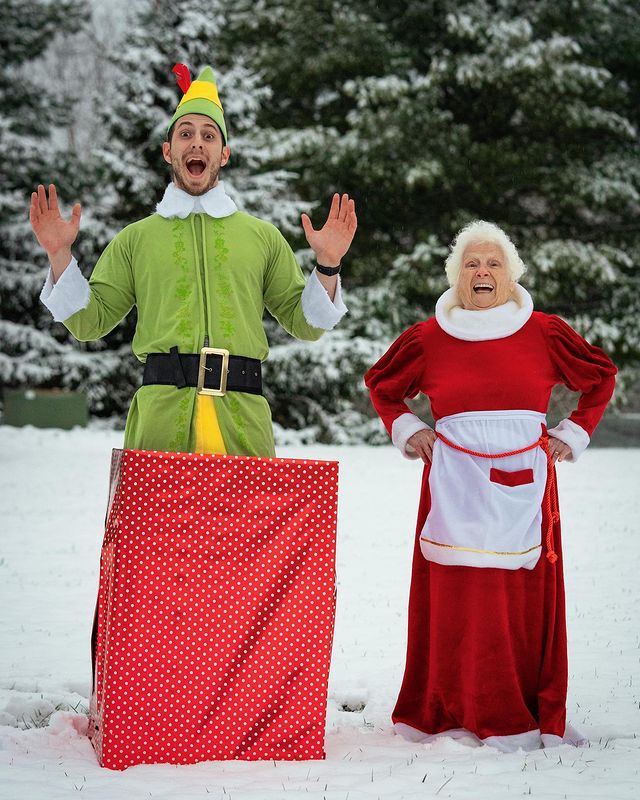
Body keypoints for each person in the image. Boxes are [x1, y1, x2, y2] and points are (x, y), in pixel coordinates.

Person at [364, 220, 616, 752]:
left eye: (493, 263)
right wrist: (410, 430)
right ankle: (445, 705)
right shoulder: (429, 338)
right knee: (456, 596)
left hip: (526, 486)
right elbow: (382, 387)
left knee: (518, 601)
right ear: (457, 276)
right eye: (472, 264)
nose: (482, 272)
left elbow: (600, 377)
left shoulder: (544, 331)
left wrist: (573, 432)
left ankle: (519, 708)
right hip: (452, 481)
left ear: (511, 273)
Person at [30, 64, 357, 456]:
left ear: (225, 152)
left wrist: (328, 265)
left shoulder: (262, 237)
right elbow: (89, 321)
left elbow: (306, 323)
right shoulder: (135, 239)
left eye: (208, 135)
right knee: (158, 522)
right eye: (185, 134)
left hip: (242, 425)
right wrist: (59, 254)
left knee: (243, 522)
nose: (197, 144)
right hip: (160, 424)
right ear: (169, 151)